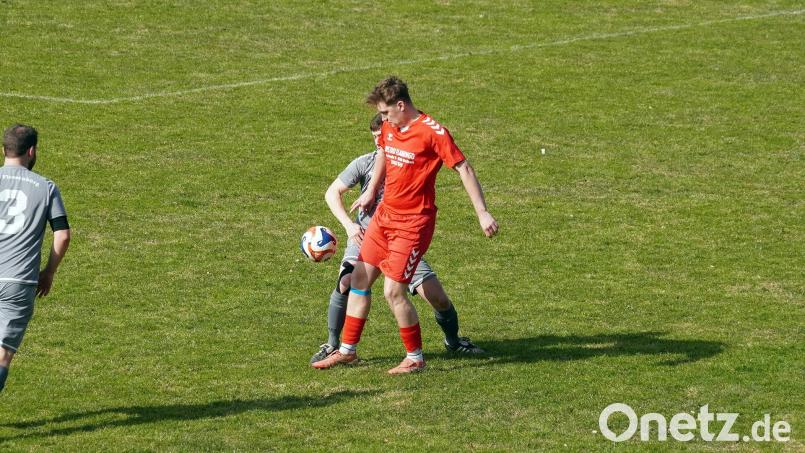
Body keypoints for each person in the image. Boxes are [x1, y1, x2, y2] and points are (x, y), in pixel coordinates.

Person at [313, 77, 498, 374]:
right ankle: (347, 351)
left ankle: (415, 358)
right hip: (384, 217)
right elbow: (384, 153)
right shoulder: (390, 127)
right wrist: (372, 191)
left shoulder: (433, 132)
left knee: (393, 292)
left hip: (413, 224)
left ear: (401, 105)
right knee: (359, 279)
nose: (383, 120)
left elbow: (463, 167)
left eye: (386, 112)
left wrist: (483, 212)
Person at [0, 124, 71, 393]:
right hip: (19, 282)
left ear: (4, 150)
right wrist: (49, 272)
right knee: (2, 357)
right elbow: (62, 235)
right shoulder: (46, 187)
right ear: (31, 151)